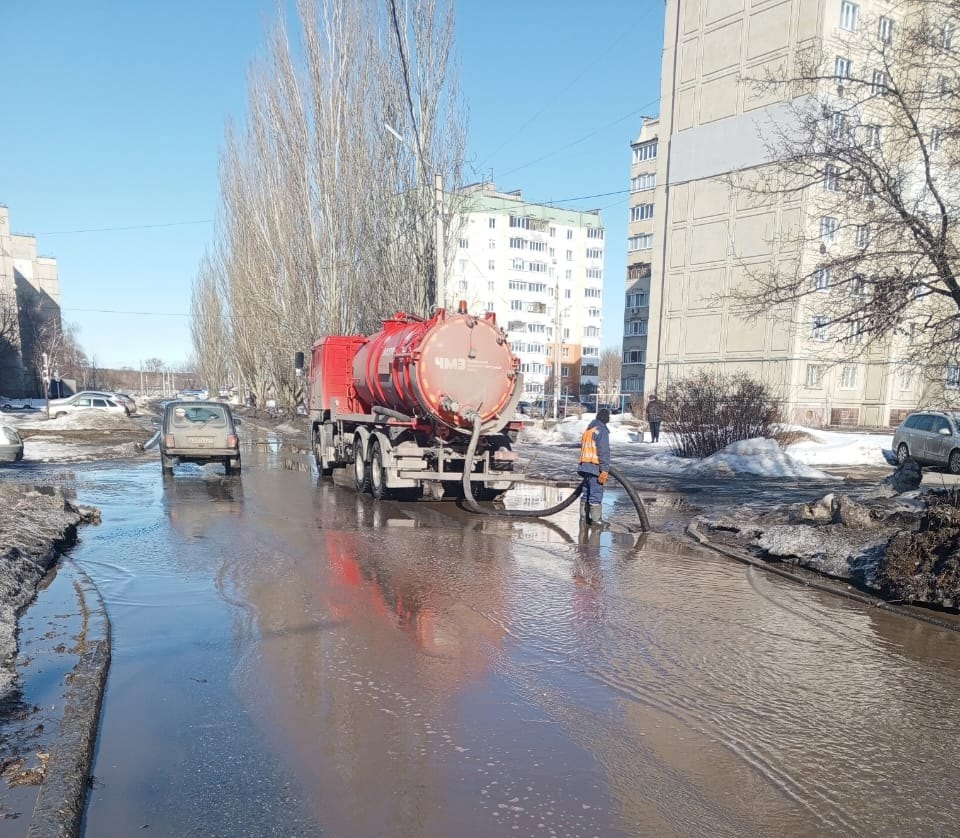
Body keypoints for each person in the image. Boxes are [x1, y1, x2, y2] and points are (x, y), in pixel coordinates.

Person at [578, 407, 611, 527]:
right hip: (594, 467)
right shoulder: (601, 430)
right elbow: (603, 451)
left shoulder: (589, 430)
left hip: (584, 467)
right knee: (596, 494)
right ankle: (596, 520)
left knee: (586, 493)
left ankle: (583, 518)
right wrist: (605, 469)